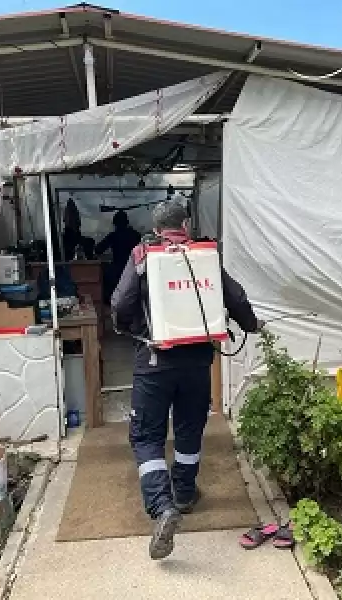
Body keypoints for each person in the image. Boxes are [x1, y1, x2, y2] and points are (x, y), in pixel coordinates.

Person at [111, 200, 263, 560]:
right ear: (187, 225)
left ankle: (163, 506)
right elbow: (235, 297)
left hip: (155, 360)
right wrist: (252, 325)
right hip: (197, 362)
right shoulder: (204, 254)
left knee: (146, 435)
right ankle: (183, 492)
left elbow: (121, 303)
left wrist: (129, 328)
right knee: (189, 428)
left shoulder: (144, 256)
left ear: (156, 226)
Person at [95, 210, 142, 300]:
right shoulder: (136, 235)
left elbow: (98, 249)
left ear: (115, 224)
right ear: (127, 222)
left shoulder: (113, 235)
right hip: (134, 269)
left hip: (117, 270)